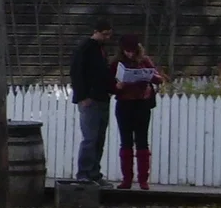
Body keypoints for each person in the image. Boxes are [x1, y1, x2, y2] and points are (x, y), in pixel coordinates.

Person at [113, 34, 165, 190]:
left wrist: (149, 76)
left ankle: (143, 180)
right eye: (127, 51)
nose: (129, 54)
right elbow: (110, 83)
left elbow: (158, 78)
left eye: (132, 51)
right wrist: (118, 86)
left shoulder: (144, 61)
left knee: (142, 141)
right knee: (126, 141)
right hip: (124, 104)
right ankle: (126, 179)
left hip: (142, 103)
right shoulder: (117, 63)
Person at [70, 18, 116, 183]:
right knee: (90, 138)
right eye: (105, 34)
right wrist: (82, 96)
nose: (107, 38)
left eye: (109, 35)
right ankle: (83, 173)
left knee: (99, 139)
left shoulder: (101, 50)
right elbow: (77, 73)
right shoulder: (85, 49)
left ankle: (94, 172)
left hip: (102, 97)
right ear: (96, 32)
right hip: (90, 99)